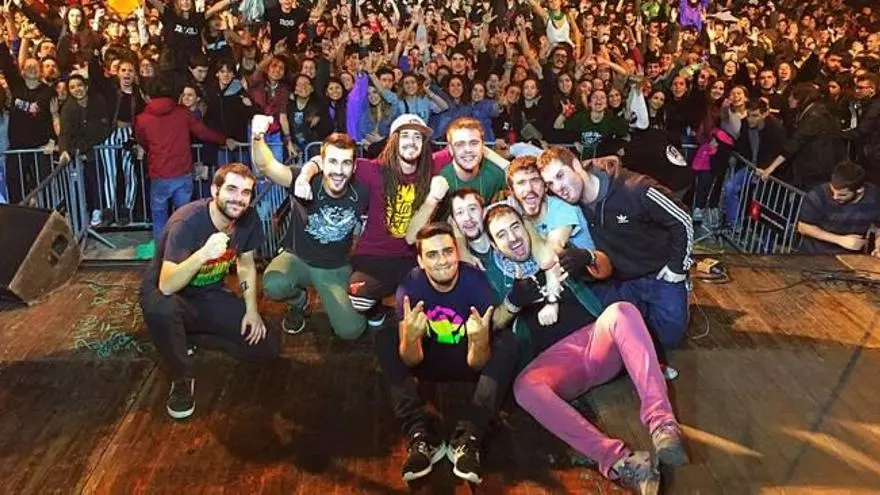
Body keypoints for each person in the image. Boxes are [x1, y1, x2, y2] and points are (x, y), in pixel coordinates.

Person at [480, 203, 686, 495]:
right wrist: (513, 301)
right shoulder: (493, 274)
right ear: (493, 244)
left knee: (622, 311)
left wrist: (585, 257)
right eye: (501, 234)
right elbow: (492, 324)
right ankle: (621, 462)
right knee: (524, 388)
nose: (513, 238)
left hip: (594, 340)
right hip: (556, 363)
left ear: (525, 226)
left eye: (515, 227)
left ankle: (663, 425)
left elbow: (604, 267)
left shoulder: (552, 248)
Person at [374, 222, 519, 483]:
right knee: (385, 337)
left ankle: (469, 437)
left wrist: (479, 340)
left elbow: (478, 364)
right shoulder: (410, 288)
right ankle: (419, 435)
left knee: (508, 342)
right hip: (427, 359)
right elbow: (411, 360)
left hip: (466, 359)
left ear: (457, 253)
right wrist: (411, 337)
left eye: (447, 251)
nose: (442, 261)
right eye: (432, 254)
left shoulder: (476, 283)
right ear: (420, 261)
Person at [139, 163, 281, 420]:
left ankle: (187, 337)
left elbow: (246, 263)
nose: (239, 198)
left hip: (208, 294)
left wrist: (252, 311)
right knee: (162, 311)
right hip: (170, 296)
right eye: (232, 189)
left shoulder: (247, 219)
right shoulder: (187, 221)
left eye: (246, 192)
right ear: (215, 190)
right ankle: (181, 378)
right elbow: (167, 285)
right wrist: (203, 253)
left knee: (266, 347)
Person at [537, 147, 692, 374]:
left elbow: (682, 218)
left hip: (659, 273)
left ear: (577, 166)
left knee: (671, 338)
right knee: (619, 336)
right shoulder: (569, 204)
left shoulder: (636, 189)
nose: (558, 188)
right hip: (619, 278)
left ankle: (681, 290)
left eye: (560, 175)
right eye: (550, 183)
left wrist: (678, 266)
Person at [294, 114, 452, 327]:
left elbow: (465, 147)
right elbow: (323, 161)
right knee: (359, 298)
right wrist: (304, 176)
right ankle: (377, 310)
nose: (412, 141)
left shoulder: (431, 166)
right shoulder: (373, 169)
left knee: (421, 302)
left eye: (418, 137)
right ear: (393, 140)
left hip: (414, 255)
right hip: (375, 254)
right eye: (405, 135)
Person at [253, 128, 368, 338]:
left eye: (346, 163)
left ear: (354, 167)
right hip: (299, 259)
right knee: (274, 284)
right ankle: (299, 301)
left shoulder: (362, 192)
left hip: (334, 266)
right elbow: (266, 166)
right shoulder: (305, 181)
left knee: (352, 330)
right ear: (322, 163)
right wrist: (257, 136)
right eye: (332, 162)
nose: (339, 171)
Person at [135, 76, 240, 242]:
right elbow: (202, 132)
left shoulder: (142, 119)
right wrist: (224, 139)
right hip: (183, 172)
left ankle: (161, 251)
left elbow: (143, 141)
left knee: (159, 216)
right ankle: (183, 248)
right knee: (183, 215)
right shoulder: (182, 113)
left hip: (159, 172)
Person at [404, 117, 508, 240]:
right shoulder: (440, 180)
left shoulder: (495, 174)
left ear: (483, 147)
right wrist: (432, 199)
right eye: (460, 144)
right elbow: (411, 238)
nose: (468, 150)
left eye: (474, 143)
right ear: (450, 149)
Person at [757, 83, 846, 190]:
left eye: (792, 96)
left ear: (801, 98)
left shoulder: (814, 116)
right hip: (817, 167)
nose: (789, 99)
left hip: (815, 170)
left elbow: (795, 143)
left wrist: (771, 168)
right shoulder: (816, 111)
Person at [797, 161, 880, 256]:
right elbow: (803, 227)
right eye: (832, 191)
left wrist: (878, 248)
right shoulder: (818, 195)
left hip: (849, 258)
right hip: (814, 254)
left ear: (859, 190)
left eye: (842, 195)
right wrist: (840, 240)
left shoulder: (875, 197)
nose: (835, 197)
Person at [842, 73, 880, 186]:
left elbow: (863, 131)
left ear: (872, 89)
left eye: (861, 88)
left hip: (873, 155)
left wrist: (837, 133)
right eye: (856, 87)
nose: (857, 91)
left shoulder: (875, 107)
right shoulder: (863, 104)